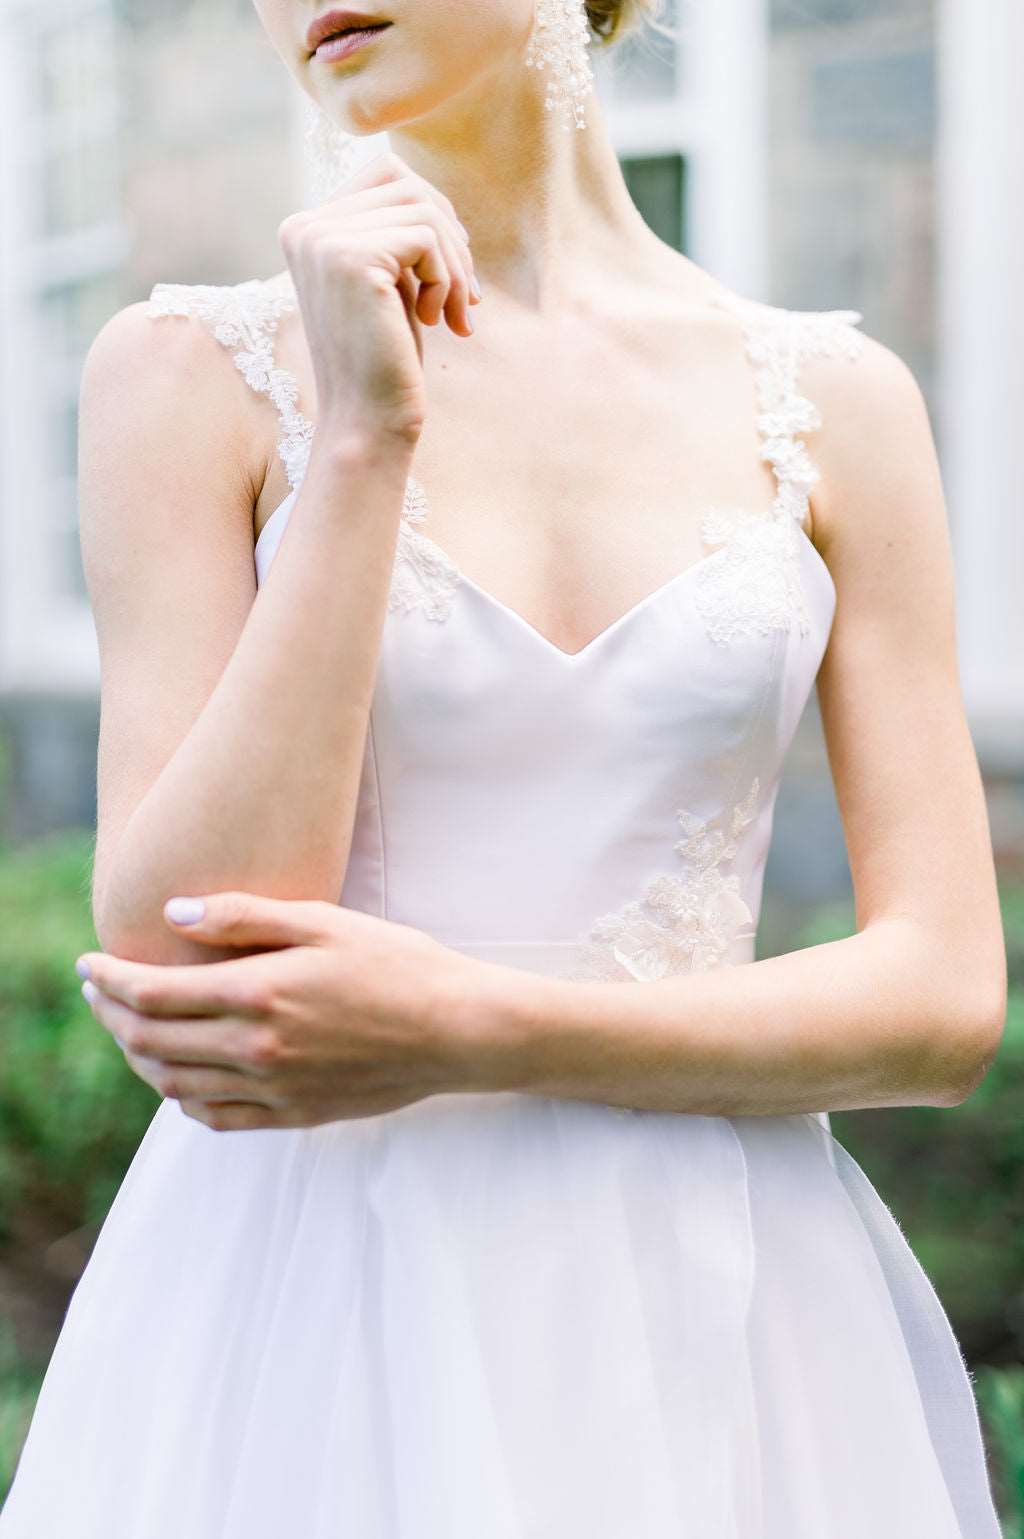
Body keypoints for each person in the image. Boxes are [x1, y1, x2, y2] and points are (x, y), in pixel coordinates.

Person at [0, 0, 1008, 1533]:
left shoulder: (841, 408)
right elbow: (178, 941)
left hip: (720, 1296)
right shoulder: (187, 371)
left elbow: (939, 1003)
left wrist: (472, 1022)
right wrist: (360, 442)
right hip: (310, 1296)